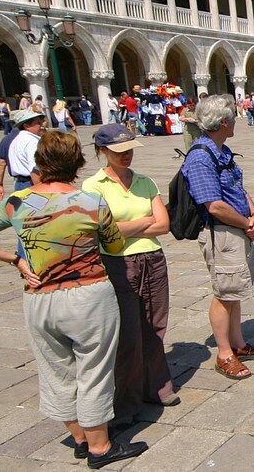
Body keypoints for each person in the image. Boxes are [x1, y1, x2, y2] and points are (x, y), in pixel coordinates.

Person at [0, 131, 149, 467]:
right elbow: (114, 246)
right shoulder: (90, 201)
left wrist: (15, 259)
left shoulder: (18, 202)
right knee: (94, 370)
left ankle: (79, 437)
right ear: (78, 163)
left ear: (39, 162)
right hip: (88, 297)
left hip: (40, 297)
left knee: (56, 370)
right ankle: (100, 447)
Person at [83, 125, 179, 415]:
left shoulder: (145, 181)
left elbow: (163, 224)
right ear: (102, 151)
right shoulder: (93, 186)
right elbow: (100, 231)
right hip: (117, 262)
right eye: (118, 151)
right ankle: (127, 399)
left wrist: (123, 228)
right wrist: (142, 223)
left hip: (152, 259)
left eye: (130, 150)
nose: (126, 156)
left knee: (155, 324)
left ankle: (158, 385)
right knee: (127, 331)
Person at [181, 94, 254, 380]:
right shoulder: (200, 156)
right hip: (220, 233)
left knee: (234, 289)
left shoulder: (221, 150)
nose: (235, 120)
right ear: (223, 122)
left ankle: (239, 343)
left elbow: (237, 187)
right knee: (223, 292)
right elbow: (214, 204)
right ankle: (224, 354)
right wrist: (246, 222)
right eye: (233, 116)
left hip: (236, 229)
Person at [0, 111, 35, 200]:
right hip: (33, 181)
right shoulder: (30, 139)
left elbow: (2, 163)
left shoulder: (6, 139)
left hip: (19, 181)